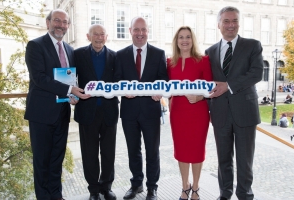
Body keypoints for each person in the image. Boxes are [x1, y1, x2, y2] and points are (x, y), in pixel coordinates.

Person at [24, 9, 89, 200]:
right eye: (57, 21)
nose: (61, 25)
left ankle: (56, 195)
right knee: (42, 161)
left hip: (61, 112)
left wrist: (73, 95)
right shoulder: (35, 46)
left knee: (56, 159)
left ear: (68, 25)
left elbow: (70, 79)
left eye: (65, 22)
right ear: (48, 23)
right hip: (41, 115)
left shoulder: (69, 49)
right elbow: (39, 79)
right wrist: (70, 91)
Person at [205, 6, 263, 200]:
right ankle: (225, 193)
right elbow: (205, 81)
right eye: (226, 21)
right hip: (220, 112)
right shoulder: (210, 51)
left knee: (245, 159)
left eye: (235, 21)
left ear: (239, 23)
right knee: (223, 158)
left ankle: (245, 194)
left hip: (245, 111)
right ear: (218, 25)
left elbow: (256, 74)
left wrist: (228, 85)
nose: (231, 25)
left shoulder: (252, 46)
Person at [113, 17, 169, 200]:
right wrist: (123, 89)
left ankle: (152, 187)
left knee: (152, 151)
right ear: (130, 31)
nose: (140, 33)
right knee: (133, 150)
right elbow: (116, 80)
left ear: (148, 31)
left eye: (143, 29)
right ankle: (136, 184)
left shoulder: (159, 53)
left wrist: (159, 91)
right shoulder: (120, 55)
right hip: (129, 111)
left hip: (151, 110)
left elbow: (163, 79)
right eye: (136, 29)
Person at [167, 26, 213, 200]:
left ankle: (195, 187)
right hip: (178, 112)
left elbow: (210, 87)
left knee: (197, 150)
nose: (184, 40)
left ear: (192, 40)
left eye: (187, 37)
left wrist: (200, 97)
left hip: (198, 112)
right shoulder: (170, 62)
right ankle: (184, 186)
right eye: (181, 37)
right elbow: (166, 87)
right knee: (181, 150)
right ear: (176, 41)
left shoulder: (203, 60)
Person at [74, 24, 119, 200]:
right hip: (87, 111)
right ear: (88, 36)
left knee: (109, 153)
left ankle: (106, 187)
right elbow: (70, 78)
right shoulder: (77, 55)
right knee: (89, 154)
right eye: (95, 34)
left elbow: (119, 80)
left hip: (109, 111)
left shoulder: (114, 57)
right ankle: (93, 190)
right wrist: (71, 93)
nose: (99, 38)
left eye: (102, 34)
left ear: (106, 37)